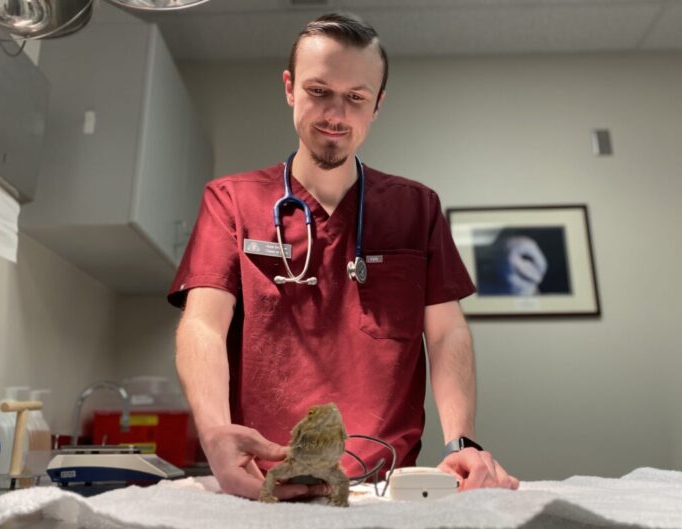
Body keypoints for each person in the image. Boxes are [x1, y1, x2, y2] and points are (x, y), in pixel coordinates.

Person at [168, 12, 518, 501]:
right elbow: (204, 324)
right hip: (261, 483)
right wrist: (214, 433)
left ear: (377, 105)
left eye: (356, 97)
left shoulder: (416, 209)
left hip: (387, 488)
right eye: (319, 91)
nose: (336, 113)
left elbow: (445, 332)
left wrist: (461, 440)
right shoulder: (231, 201)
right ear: (289, 88)